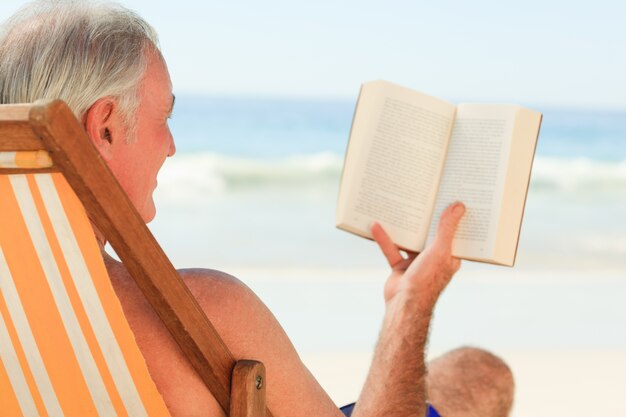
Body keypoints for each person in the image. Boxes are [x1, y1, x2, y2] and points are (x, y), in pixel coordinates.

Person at [0, 1, 515, 416]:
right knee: (485, 375)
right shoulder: (202, 311)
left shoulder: (21, 314)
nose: (171, 145)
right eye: (164, 116)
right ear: (106, 127)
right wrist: (411, 303)